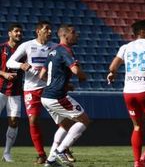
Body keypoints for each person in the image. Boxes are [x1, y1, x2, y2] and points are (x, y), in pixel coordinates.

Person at [107, 20, 145, 167]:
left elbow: (113, 66)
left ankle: (137, 162)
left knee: (137, 126)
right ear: (142, 32)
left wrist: (111, 74)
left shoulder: (125, 47)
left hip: (128, 92)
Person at [6, 21, 57, 163]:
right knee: (33, 120)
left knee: (61, 119)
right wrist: (21, 65)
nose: (50, 32)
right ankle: (41, 155)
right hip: (31, 89)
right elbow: (10, 62)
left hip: (49, 88)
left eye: (51, 29)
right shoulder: (27, 45)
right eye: (46, 29)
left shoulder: (54, 47)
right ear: (38, 31)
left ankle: (62, 149)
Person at [38, 24, 89, 167]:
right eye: (74, 33)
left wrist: (63, 84)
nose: (76, 35)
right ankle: (61, 150)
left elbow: (42, 75)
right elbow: (75, 70)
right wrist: (83, 76)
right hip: (57, 96)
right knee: (84, 120)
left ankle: (51, 161)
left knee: (65, 124)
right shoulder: (65, 50)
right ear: (66, 35)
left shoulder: (52, 51)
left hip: (46, 96)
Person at [0, 23, 24, 162]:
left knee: (14, 122)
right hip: (0, 90)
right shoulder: (2, 48)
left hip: (15, 92)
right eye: (16, 31)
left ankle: (7, 153)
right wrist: (4, 74)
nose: (18, 34)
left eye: (20, 32)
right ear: (10, 33)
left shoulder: (24, 51)